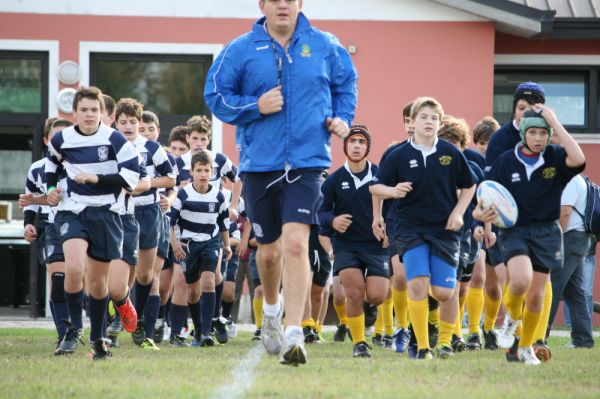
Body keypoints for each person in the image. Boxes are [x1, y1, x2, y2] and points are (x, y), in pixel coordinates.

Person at [204, 0, 357, 365]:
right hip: (260, 164)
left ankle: (294, 334)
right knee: (269, 252)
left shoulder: (325, 44)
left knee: (296, 244)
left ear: (300, 3)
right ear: (263, 5)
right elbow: (216, 96)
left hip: (308, 162)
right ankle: (270, 311)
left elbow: (345, 85)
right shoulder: (239, 49)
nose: (283, 4)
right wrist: (256, 105)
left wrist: (342, 118)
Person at [478, 107, 586, 365]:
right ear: (524, 135)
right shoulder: (506, 161)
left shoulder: (556, 157)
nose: (538, 138)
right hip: (515, 231)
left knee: (537, 297)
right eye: (533, 133)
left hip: (547, 232)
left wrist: (554, 121)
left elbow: (579, 158)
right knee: (519, 281)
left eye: (543, 133)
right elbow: (486, 195)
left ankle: (526, 347)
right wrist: (481, 215)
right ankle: (512, 321)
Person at [370, 97, 476, 360]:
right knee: (416, 283)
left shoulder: (451, 154)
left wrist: (458, 212)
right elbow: (375, 187)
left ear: (439, 124)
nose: (429, 122)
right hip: (409, 228)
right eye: (424, 117)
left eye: (434, 118)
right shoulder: (398, 155)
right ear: (413, 122)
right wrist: (393, 191)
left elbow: (469, 186)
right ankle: (422, 347)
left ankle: (444, 341)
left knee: (443, 292)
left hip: (444, 230)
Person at [46, 86, 141, 360]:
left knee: (99, 286)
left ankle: (98, 338)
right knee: (74, 268)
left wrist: (95, 179)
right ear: (74, 112)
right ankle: (73, 329)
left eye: (94, 110)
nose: (89, 115)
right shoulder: (61, 139)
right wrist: (52, 187)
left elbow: (131, 179)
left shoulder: (115, 140)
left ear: (103, 113)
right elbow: (51, 165)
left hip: (107, 213)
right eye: (84, 110)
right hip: (72, 211)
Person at [319, 126, 389, 357]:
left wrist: (390, 231)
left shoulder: (381, 176)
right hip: (346, 246)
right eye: (352, 141)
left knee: (377, 295)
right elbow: (320, 213)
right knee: (354, 293)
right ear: (345, 146)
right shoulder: (334, 180)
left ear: (368, 147)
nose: (356, 145)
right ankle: (359, 342)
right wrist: (333, 219)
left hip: (376, 245)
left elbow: (395, 208)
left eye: (361, 142)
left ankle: (368, 311)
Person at [114, 98, 176, 350]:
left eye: (132, 121)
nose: (127, 126)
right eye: (122, 122)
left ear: (140, 123)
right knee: (118, 272)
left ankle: (139, 325)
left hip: (148, 212)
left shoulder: (151, 147)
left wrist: (146, 184)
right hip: (118, 213)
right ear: (115, 123)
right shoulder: (110, 145)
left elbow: (171, 178)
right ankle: (117, 320)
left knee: (146, 275)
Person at [20, 117, 74, 351]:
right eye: (55, 136)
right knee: (58, 279)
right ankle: (64, 336)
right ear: (46, 140)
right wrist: (28, 223)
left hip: (77, 224)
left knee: (80, 280)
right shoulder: (37, 168)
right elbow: (30, 198)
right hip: (49, 226)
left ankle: (90, 330)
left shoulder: (78, 165)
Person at [169, 150, 232, 347]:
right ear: (192, 172)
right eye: (199, 170)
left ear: (212, 172)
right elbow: (170, 223)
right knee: (193, 292)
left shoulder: (219, 196)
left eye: (207, 170)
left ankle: (206, 333)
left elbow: (223, 224)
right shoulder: (183, 194)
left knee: (208, 281)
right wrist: (175, 244)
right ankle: (197, 331)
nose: (203, 174)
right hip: (188, 246)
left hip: (210, 242)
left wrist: (227, 244)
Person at [546, 174, 594, 348]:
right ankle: (583, 340)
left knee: (551, 288)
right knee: (575, 293)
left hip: (569, 238)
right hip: (578, 239)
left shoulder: (571, 180)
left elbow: (565, 212)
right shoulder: (580, 179)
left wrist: (553, 239)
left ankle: (539, 337)